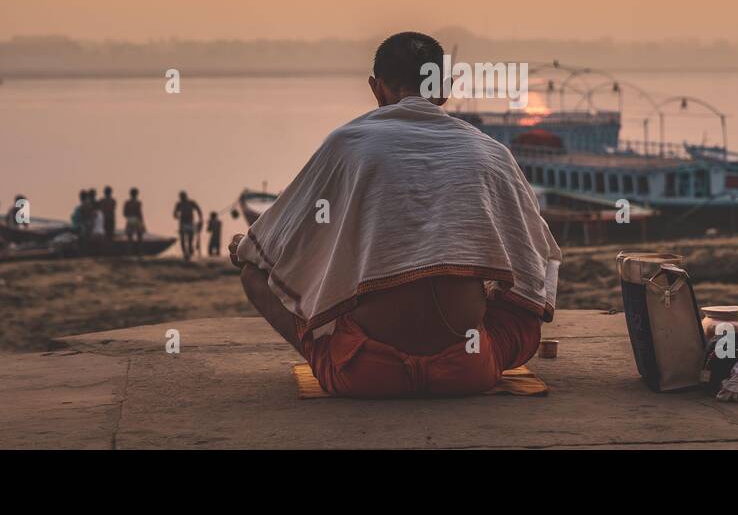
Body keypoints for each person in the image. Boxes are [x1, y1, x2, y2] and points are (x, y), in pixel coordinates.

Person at [231, 31, 560, 398]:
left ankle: (334, 359)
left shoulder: (347, 145)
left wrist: (245, 246)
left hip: (367, 375)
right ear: (445, 88)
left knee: (252, 275)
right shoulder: (491, 153)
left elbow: (269, 245)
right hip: (466, 369)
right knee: (517, 299)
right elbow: (538, 255)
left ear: (376, 88)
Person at [174, 191, 203, 259]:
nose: (182, 198)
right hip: (183, 222)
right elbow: (175, 213)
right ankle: (185, 253)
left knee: (190, 238)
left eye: (183, 196)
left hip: (190, 222)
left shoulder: (191, 202)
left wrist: (200, 218)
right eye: (181, 197)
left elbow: (198, 209)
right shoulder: (179, 204)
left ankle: (190, 251)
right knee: (183, 238)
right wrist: (177, 216)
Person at [123, 187, 146, 257]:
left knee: (130, 238)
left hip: (129, 219)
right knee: (140, 237)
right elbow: (139, 213)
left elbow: (124, 213)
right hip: (136, 219)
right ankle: (140, 252)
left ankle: (129, 253)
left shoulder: (127, 203)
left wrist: (129, 216)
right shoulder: (138, 203)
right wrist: (143, 223)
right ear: (137, 194)